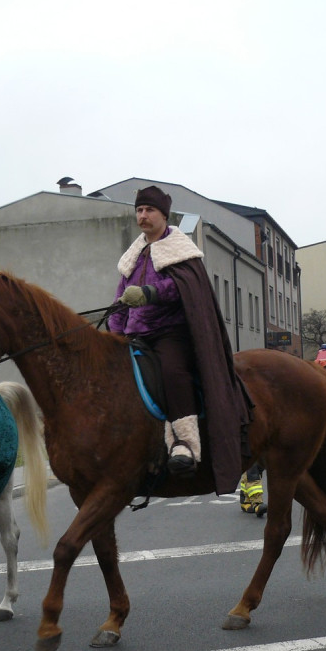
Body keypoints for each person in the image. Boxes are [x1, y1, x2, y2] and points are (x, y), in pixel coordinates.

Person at [107, 186, 249, 491]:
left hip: (170, 333)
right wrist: (115, 334)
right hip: (135, 336)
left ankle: (186, 442)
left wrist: (150, 293)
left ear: (163, 215)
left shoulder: (181, 250)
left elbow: (184, 288)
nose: (142, 216)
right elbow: (120, 300)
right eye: (139, 210)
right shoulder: (134, 254)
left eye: (149, 211)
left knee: (173, 373)